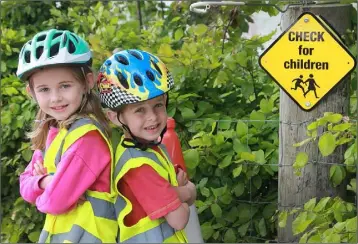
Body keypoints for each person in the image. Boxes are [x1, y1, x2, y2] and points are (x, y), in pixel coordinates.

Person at [17, 29, 117, 243]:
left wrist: (43, 188)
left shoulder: (87, 138)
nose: (55, 98)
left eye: (65, 85)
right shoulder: (55, 133)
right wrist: (47, 181)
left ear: (87, 82)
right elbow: (24, 185)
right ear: (31, 93)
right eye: (44, 89)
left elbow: (55, 202)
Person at [96, 49, 197, 243]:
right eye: (139, 110)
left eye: (158, 105)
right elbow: (179, 219)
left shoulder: (151, 149)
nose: (152, 116)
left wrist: (175, 191)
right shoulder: (137, 166)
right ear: (115, 118)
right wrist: (186, 191)